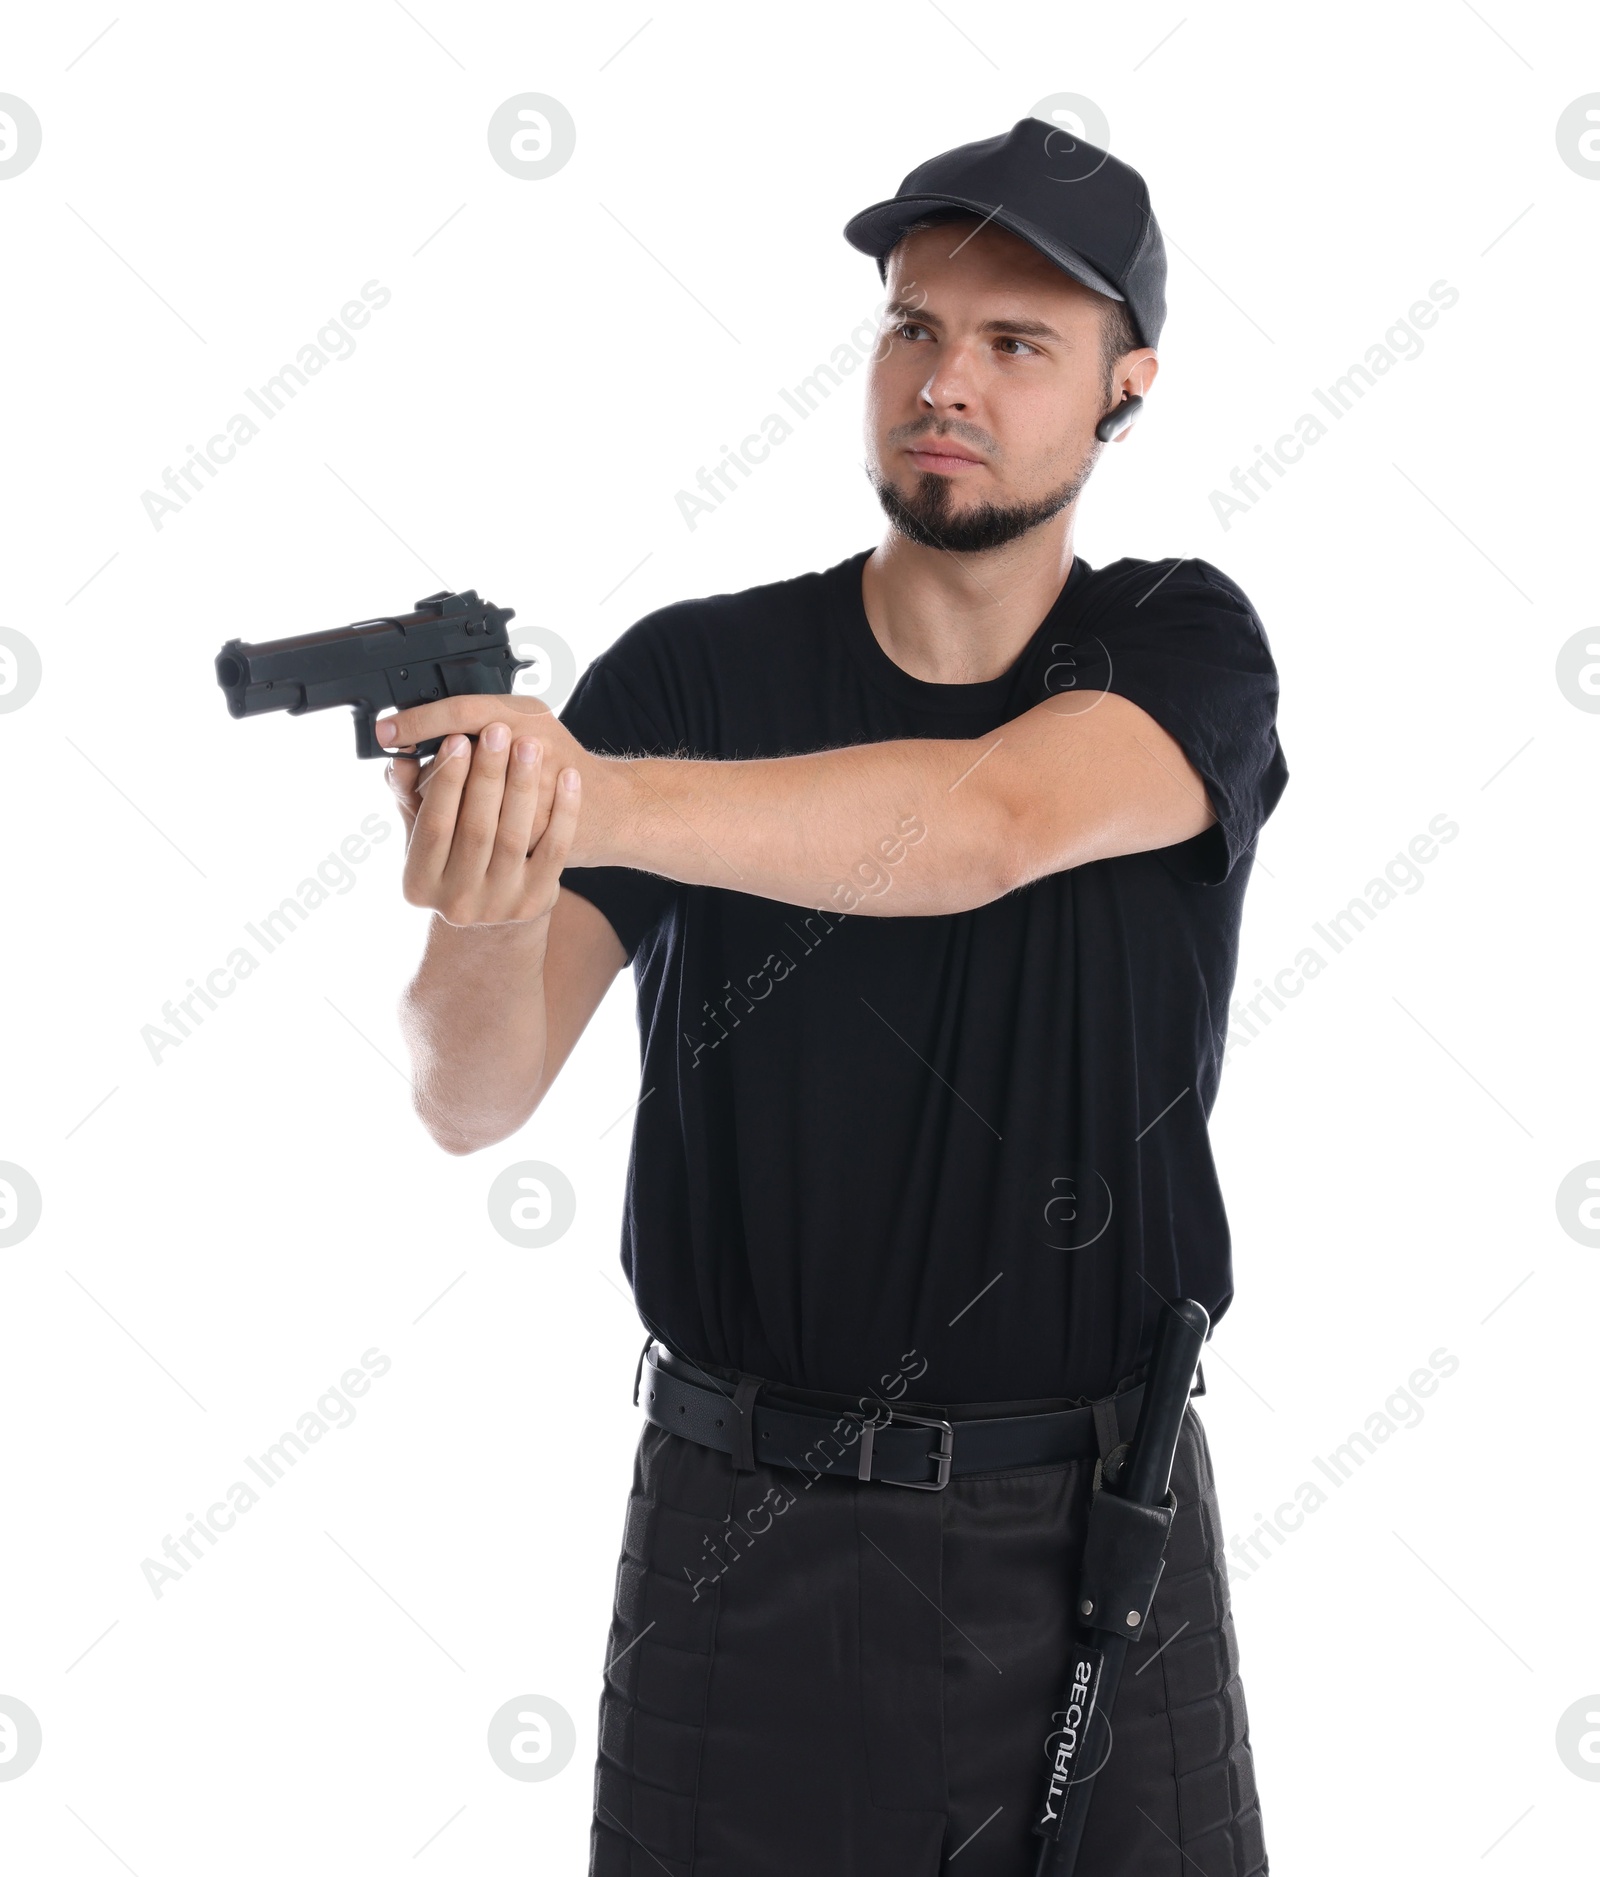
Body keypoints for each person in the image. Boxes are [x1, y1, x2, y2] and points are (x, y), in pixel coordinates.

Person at [383, 118, 1282, 1877]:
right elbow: (465, 1091)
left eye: (1018, 343)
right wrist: (487, 877)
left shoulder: (1182, 647)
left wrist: (591, 792)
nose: (947, 380)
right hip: (740, 1544)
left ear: (1127, 388)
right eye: (912, 327)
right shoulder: (693, 676)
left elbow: (988, 823)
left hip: (1104, 1528)